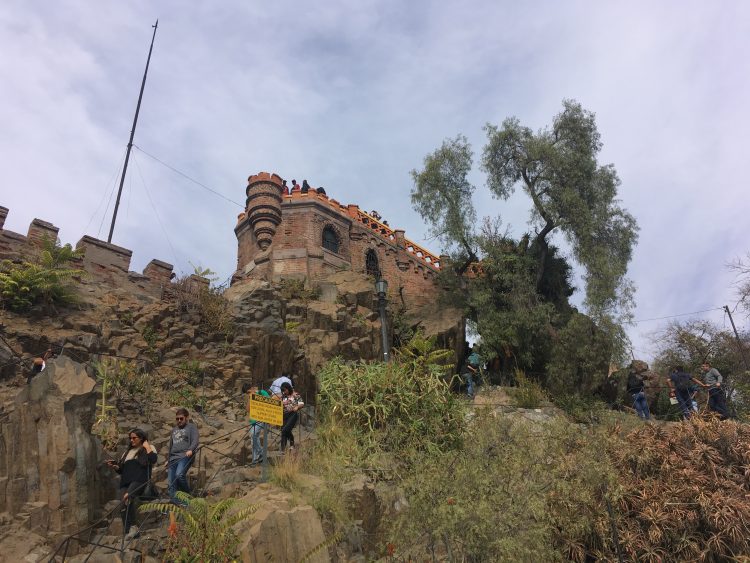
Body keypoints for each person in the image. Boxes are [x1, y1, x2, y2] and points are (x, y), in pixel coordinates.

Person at [107, 428, 157, 539]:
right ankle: (128, 531)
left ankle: (134, 528)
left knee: (127, 498)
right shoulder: (127, 452)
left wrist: (147, 446)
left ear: (141, 438)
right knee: (122, 505)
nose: (131, 440)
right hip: (126, 482)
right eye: (130, 438)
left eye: (134, 438)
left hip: (140, 479)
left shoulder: (148, 448)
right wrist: (116, 467)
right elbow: (122, 470)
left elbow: (153, 459)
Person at [166, 408, 199, 503]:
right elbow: (171, 446)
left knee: (179, 475)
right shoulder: (174, 430)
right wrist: (168, 459)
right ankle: (177, 504)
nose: (179, 421)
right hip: (173, 458)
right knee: (171, 483)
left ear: (186, 418)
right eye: (177, 419)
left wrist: (190, 450)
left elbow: (195, 440)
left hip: (185, 456)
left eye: (181, 418)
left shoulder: (191, 427)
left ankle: (188, 498)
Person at [248, 386, 270, 465]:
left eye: (249, 391)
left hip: (261, 417)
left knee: (253, 435)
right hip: (253, 420)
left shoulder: (262, 392)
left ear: (252, 389)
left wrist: (256, 397)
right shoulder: (250, 396)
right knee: (253, 440)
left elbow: (269, 403)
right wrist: (250, 399)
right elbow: (248, 409)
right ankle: (254, 460)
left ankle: (261, 454)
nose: (249, 393)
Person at [280, 382, 304, 452]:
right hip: (284, 415)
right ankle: (283, 450)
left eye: (285, 390)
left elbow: (302, 404)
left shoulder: (295, 395)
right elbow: (280, 404)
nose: (284, 392)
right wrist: (282, 404)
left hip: (293, 414)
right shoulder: (283, 396)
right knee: (283, 431)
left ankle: (291, 441)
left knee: (285, 430)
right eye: (282, 391)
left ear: (288, 388)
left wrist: (297, 407)